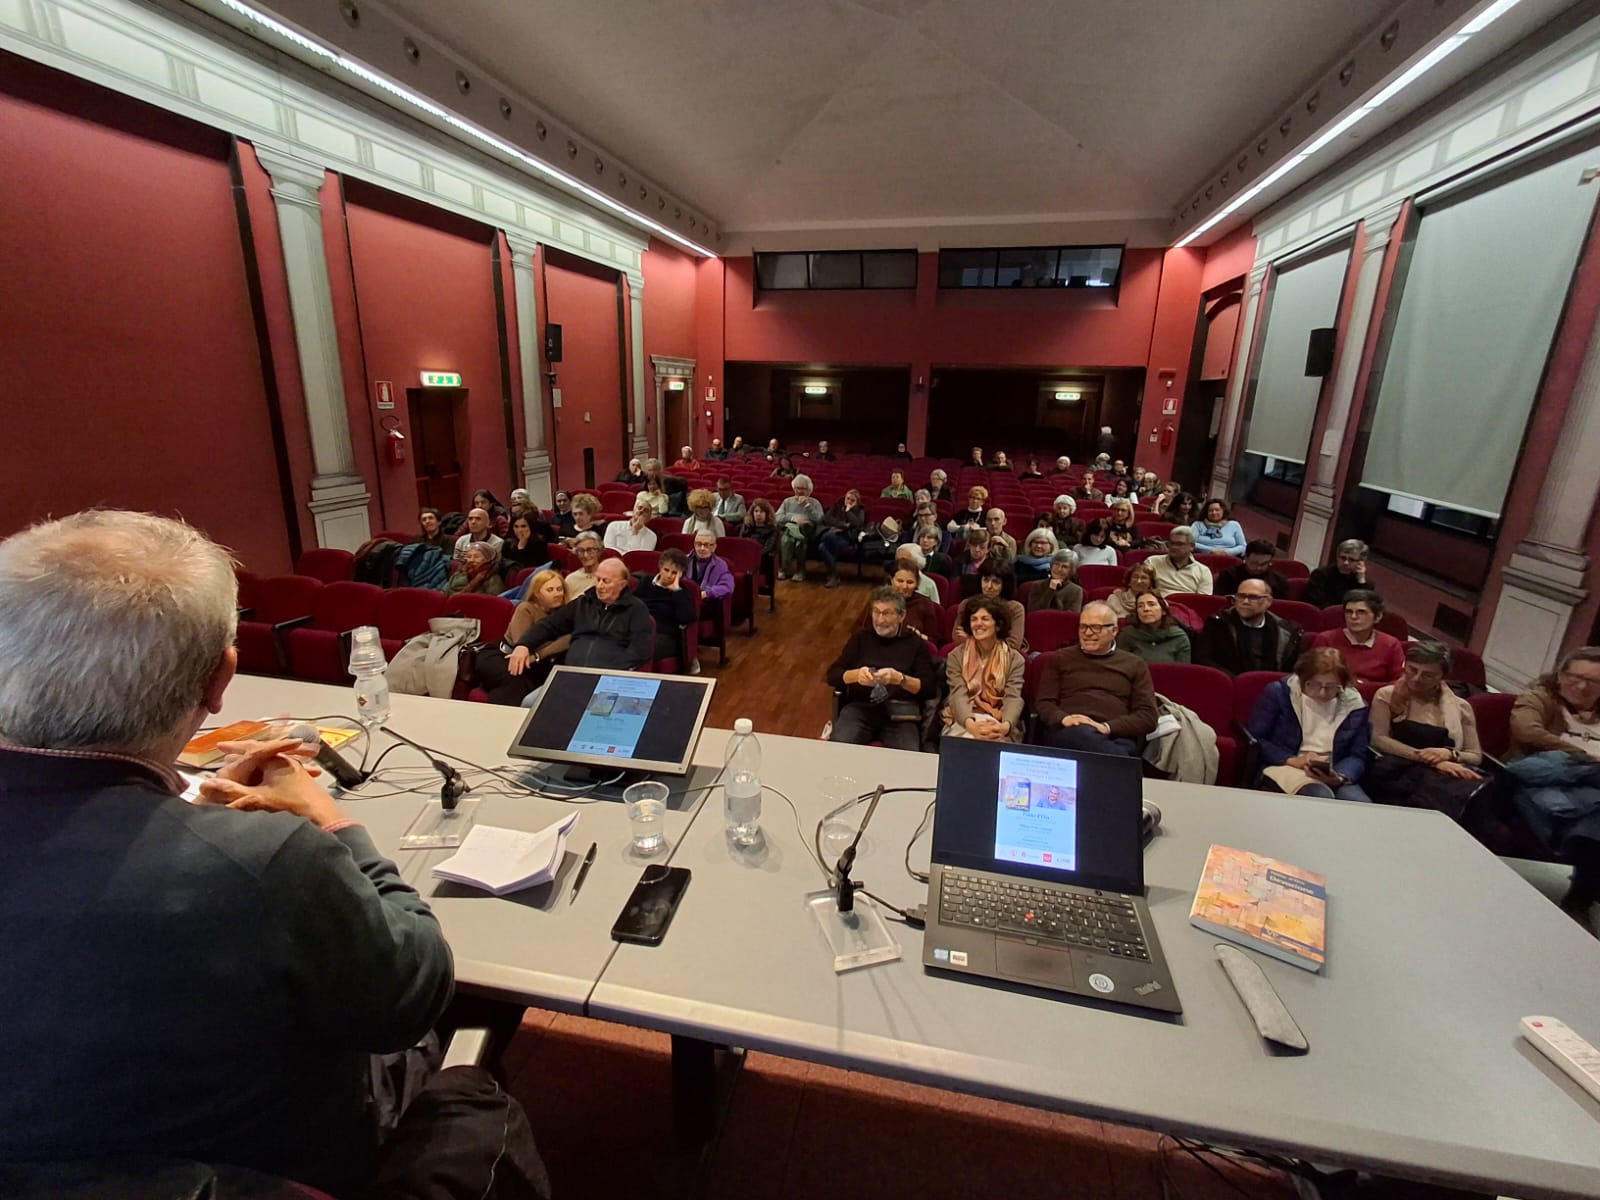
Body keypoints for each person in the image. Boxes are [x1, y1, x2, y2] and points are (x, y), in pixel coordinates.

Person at [0, 511, 543, 1198]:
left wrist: (183, 812)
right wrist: (329, 821)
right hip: (279, 1169)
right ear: (220, 677)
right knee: (472, 1023)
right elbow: (416, 991)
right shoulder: (271, 861)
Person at [1506, 646, 1600, 924]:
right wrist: (1585, 757)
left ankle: (1580, 894)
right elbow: (1527, 731)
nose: (1582, 687)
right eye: (1575, 677)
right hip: (1544, 779)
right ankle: (1579, 900)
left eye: (1594, 682)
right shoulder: (1539, 699)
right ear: (1560, 675)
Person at [1367, 642, 1487, 826]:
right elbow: (1379, 739)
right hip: (1399, 768)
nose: (1416, 678)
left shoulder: (1462, 707)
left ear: (1442, 677)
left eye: (1428, 675)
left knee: (1480, 796)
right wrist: (1432, 761)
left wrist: (1450, 754)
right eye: (1412, 669)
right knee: (1449, 797)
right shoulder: (1386, 695)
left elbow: (1475, 756)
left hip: (1447, 769)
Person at [509, 560, 654, 702]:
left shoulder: (636, 609)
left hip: (608, 680)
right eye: (598, 579)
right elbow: (549, 625)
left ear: (622, 584)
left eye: (606, 581)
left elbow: (640, 650)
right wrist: (524, 645)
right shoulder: (583, 603)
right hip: (571, 675)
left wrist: (609, 672)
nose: (599, 586)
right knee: (529, 703)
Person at [1033, 601, 1158, 757]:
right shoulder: (1059, 658)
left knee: (1115, 747)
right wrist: (1064, 719)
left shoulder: (1135, 664)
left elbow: (1148, 716)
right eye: (1083, 627)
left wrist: (1106, 727)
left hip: (1115, 735)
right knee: (1084, 736)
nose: (1088, 633)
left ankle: (1114, 759)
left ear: (1114, 631)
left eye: (1096, 627)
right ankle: (1118, 761)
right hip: (1069, 731)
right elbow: (1044, 703)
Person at [1248, 647, 1372, 801]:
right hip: (1286, 765)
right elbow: (1258, 739)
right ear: (1301, 679)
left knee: (1360, 803)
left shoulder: (1355, 705)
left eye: (1331, 687)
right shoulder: (1279, 693)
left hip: (1333, 770)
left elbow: (1358, 755)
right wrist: (1292, 760)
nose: (1322, 693)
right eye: (1314, 684)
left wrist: (1340, 776)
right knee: (1320, 795)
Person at [826, 588, 938, 752]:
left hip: (901, 713)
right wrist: (856, 675)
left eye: (887, 613)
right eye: (876, 612)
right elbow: (832, 675)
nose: (879, 620)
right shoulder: (861, 638)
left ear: (901, 616)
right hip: (860, 708)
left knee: (908, 758)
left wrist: (900, 679)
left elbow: (929, 688)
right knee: (838, 749)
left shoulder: (915, 644)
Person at [474, 568, 572, 705]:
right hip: (501, 654)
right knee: (515, 680)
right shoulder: (526, 608)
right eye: (550, 590)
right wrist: (546, 651)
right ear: (537, 594)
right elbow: (522, 643)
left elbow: (569, 640)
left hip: (535, 663)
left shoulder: (566, 615)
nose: (557, 594)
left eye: (559, 589)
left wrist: (538, 656)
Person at [943, 598, 1025, 742]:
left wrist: (1005, 727)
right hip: (964, 718)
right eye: (974, 619)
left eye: (985, 619)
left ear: (998, 625)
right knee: (970, 740)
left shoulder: (1015, 659)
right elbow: (958, 694)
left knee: (994, 741)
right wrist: (971, 726)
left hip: (999, 720)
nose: (978, 624)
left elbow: (1013, 697)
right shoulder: (956, 656)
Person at [1194, 578, 1302, 674]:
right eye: (1241, 596)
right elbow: (1203, 659)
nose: (1245, 602)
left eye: (1253, 597)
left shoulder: (1287, 631)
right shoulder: (1218, 624)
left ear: (1268, 601)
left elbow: (1295, 669)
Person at [1308, 589, 1404, 683]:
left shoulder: (1391, 644)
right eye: (1349, 612)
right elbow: (1314, 678)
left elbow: (1399, 682)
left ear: (1378, 617)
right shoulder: (1326, 639)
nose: (1353, 617)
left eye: (1361, 612)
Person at [631, 548, 698, 664]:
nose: (669, 575)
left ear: (681, 574)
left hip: (665, 636)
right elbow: (633, 604)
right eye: (666, 570)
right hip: (641, 630)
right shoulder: (645, 582)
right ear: (660, 567)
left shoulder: (682, 592)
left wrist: (676, 591)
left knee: (641, 649)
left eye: (674, 573)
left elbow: (686, 618)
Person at [858, 565, 943, 645]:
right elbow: (860, 631)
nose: (904, 586)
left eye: (910, 582)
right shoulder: (879, 600)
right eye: (900, 581)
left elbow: (934, 641)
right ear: (891, 580)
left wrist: (919, 636)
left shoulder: (925, 604)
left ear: (917, 584)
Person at [955, 562, 1026, 651]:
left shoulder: (1014, 608)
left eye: (996, 582)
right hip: (968, 653)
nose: (989, 586)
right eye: (985, 580)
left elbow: (1013, 645)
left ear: (1005, 585)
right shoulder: (966, 604)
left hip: (1005, 656)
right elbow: (958, 637)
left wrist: (973, 641)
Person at [1118, 591, 1192, 664]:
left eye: (1151, 604)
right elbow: (1120, 666)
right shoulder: (1127, 635)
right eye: (1140, 606)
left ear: (1163, 611)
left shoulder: (1179, 637)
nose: (1146, 609)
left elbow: (1183, 670)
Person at [775, 473, 824, 581]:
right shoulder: (787, 502)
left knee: (800, 542)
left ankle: (800, 570)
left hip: (807, 532)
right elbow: (777, 517)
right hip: (789, 529)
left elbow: (819, 519)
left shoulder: (814, 503)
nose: (800, 491)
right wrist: (793, 518)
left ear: (809, 490)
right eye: (797, 488)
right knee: (786, 540)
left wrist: (807, 506)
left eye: (803, 488)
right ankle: (784, 569)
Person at [818, 488, 867, 588]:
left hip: (846, 538)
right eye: (847, 499)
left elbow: (858, 524)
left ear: (857, 502)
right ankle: (834, 576)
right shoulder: (837, 505)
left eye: (852, 500)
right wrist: (843, 525)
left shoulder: (860, 510)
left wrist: (848, 511)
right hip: (834, 534)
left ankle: (833, 575)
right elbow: (827, 518)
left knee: (824, 544)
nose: (849, 501)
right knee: (824, 544)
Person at [1147, 526, 1212, 597]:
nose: (1173, 547)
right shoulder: (1152, 562)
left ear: (1192, 546)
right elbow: (1143, 589)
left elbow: (1203, 600)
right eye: (1171, 543)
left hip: (1187, 603)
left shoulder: (1203, 571)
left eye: (1179, 544)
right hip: (1159, 601)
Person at [1305, 538, 1371, 608]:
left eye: (1351, 559)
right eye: (1343, 558)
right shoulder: (1320, 574)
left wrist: (1361, 581)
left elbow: (1366, 608)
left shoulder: (1364, 583)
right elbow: (1317, 604)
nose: (1346, 563)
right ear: (1337, 557)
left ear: (1360, 562)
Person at [1217, 540, 1290, 599]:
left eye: (1264, 564)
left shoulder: (1279, 581)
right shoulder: (1228, 576)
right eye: (1254, 563)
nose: (1259, 568)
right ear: (1245, 558)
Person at [1027, 549, 1083, 613]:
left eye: (1064, 566)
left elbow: (1071, 616)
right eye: (1056, 564)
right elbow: (1033, 613)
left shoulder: (1076, 590)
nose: (1059, 569)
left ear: (1071, 570)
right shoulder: (1037, 585)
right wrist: (1050, 590)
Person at [499, 513, 551, 577]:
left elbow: (531, 569)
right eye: (516, 526)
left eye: (523, 526)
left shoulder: (539, 543)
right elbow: (504, 566)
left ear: (531, 527)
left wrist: (521, 548)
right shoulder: (508, 543)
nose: (520, 530)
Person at [564, 532, 604, 599]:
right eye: (581, 550)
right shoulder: (571, 579)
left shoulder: (608, 577)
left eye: (590, 550)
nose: (585, 555)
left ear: (599, 551)